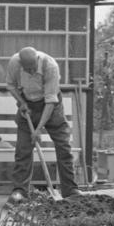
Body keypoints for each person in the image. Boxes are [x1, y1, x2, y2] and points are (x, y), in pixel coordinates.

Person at [5, 46, 80, 201]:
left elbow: (51, 101)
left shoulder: (50, 66)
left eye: (33, 68)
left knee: (64, 147)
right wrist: (21, 102)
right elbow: (11, 86)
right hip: (28, 105)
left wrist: (38, 129)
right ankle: (20, 191)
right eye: (27, 69)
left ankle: (70, 191)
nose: (31, 71)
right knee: (22, 150)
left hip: (51, 105)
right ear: (21, 64)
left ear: (37, 60)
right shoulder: (14, 63)